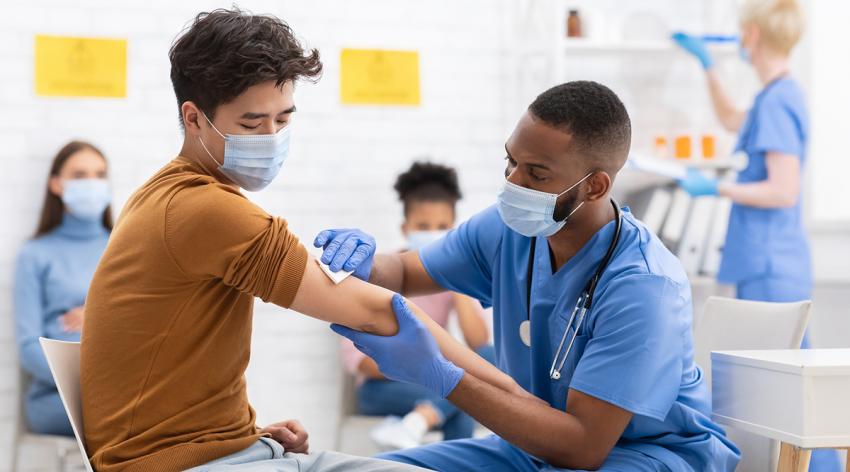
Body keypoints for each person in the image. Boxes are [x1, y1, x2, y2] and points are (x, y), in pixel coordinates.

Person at [78, 8, 526, 472]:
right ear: (193, 118)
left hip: (222, 450)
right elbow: (376, 311)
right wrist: (519, 400)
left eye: (283, 120)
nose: (271, 138)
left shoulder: (163, 195)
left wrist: (244, 433)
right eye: (252, 124)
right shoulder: (205, 210)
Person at [317, 81, 740, 471]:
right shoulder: (509, 230)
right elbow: (407, 272)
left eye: (536, 174)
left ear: (594, 187)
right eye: (511, 161)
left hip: (640, 455)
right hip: (536, 449)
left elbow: (584, 447)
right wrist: (367, 262)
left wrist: (444, 377)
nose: (511, 183)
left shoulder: (644, 287)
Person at [672, 1, 840, 470]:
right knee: (784, 386)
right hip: (766, 261)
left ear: (750, 35)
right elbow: (732, 120)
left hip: (772, 262)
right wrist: (707, 67)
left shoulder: (780, 99)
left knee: (789, 391)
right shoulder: (774, 96)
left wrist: (718, 186)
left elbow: (783, 190)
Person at [341, 161, 496, 450]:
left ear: (454, 230)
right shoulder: (377, 272)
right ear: (405, 227)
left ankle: (417, 422)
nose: (433, 233)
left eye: (442, 227)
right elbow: (358, 362)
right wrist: (424, 368)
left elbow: (480, 344)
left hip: (431, 380)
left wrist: (454, 279)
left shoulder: (450, 277)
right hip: (381, 388)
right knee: (462, 396)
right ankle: (421, 420)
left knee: (489, 360)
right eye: (423, 226)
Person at [13, 141, 112, 437]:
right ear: (56, 184)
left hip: (120, 390)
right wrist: (89, 382)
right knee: (126, 421)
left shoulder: (124, 248)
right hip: (55, 398)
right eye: (80, 175)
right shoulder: (36, 254)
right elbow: (28, 347)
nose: (92, 184)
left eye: (100, 174)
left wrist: (97, 315)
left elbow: (149, 325)